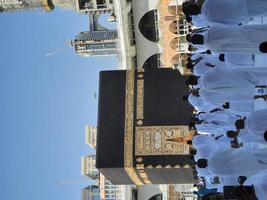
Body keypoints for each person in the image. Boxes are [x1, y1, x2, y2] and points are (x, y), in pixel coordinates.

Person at [190, 24, 267, 54]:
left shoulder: (212, 47)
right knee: (260, 33)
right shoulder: (212, 29)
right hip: (240, 31)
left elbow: (226, 48)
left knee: (260, 42)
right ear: (199, 35)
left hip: (241, 44)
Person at [197, 147, 267, 176]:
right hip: (239, 156)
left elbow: (229, 174)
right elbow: (228, 150)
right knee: (260, 155)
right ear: (204, 159)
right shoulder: (213, 155)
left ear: (204, 167)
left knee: (260, 167)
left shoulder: (214, 172)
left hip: (240, 168)